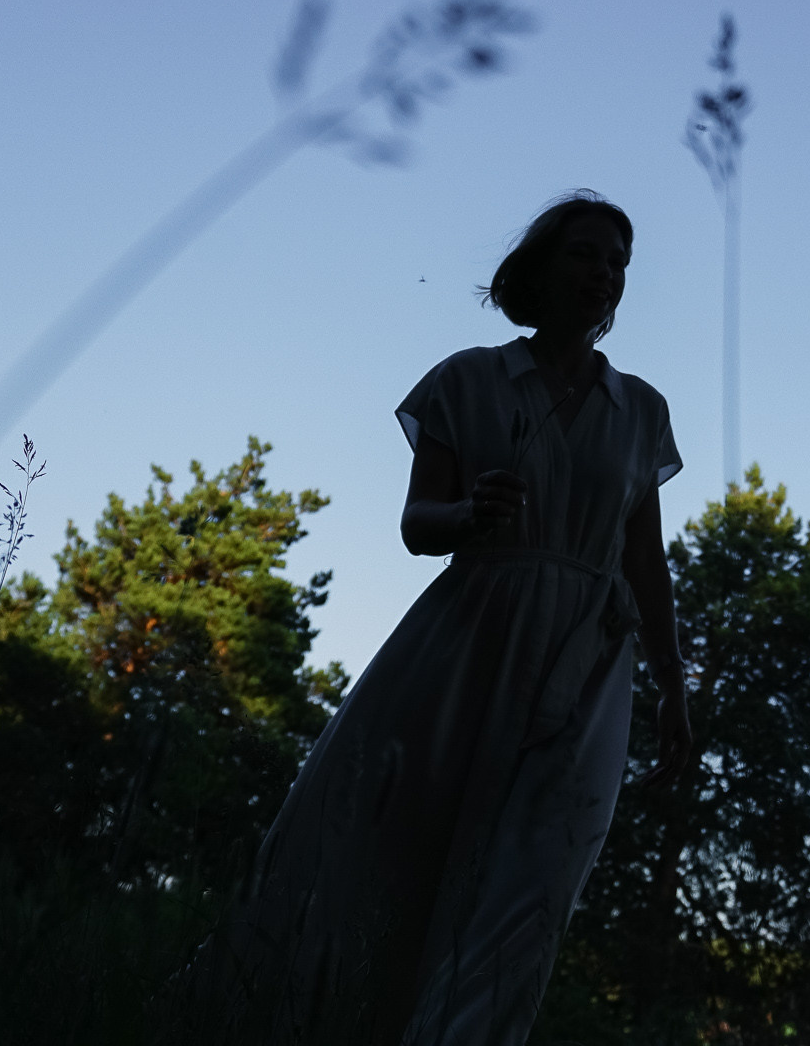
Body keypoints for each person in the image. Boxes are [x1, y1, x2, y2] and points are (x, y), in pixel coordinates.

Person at [170, 190, 692, 1045]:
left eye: (619, 264)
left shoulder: (641, 409)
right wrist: (470, 515)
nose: (604, 274)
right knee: (401, 846)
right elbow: (420, 525)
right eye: (586, 255)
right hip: (474, 636)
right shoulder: (469, 380)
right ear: (539, 268)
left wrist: (673, 686)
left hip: (592, 663)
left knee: (537, 874)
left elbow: (645, 560)